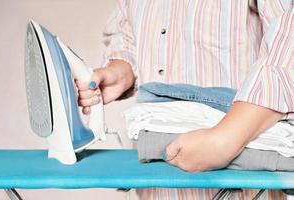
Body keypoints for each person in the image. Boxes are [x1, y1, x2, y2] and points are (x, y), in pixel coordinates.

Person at [76, 0, 294, 199]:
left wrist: (224, 139)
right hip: (155, 181)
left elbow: (287, 42)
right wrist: (120, 71)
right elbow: (127, 35)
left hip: (234, 177)